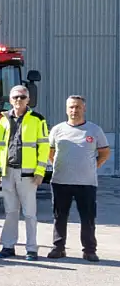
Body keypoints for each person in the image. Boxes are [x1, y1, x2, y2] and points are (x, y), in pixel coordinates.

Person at [47, 95, 110, 262]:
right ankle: (58, 248)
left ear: (84, 109)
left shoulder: (94, 130)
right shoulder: (57, 129)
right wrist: (59, 166)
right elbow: (50, 152)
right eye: (71, 107)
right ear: (66, 109)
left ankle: (89, 250)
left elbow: (104, 152)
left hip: (86, 183)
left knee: (88, 218)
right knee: (60, 216)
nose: (74, 110)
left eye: (78, 107)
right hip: (60, 181)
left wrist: (93, 166)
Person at [0, 85, 50, 261]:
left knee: (30, 213)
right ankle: (8, 246)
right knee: (10, 212)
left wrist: (40, 171)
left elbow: (44, 147)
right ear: (10, 100)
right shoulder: (3, 119)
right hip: (8, 172)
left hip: (28, 174)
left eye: (22, 97)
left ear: (28, 100)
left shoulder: (38, 120)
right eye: (15, 97)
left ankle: (31, 249)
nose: (18, 100)